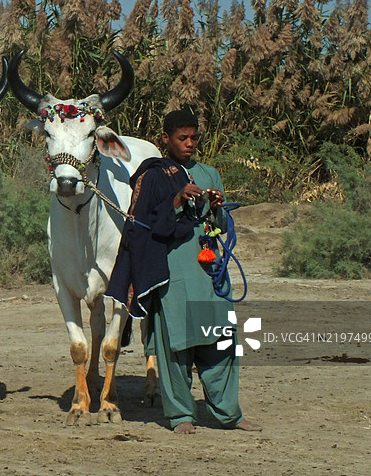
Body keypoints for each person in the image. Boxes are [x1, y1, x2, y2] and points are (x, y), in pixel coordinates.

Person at [107, 109, 261, 434]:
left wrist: (217, 209)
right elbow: (143, 225)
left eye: (194, 137)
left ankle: (229, 413)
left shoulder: (209, 174)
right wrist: (176, 200)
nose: (190, 143)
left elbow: (221, 227)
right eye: (182, 138)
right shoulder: (153, 176)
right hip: (172, 273)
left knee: (221, 342)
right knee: (175, 346)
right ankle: (180, 416)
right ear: (166, 139)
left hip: (208, 272)